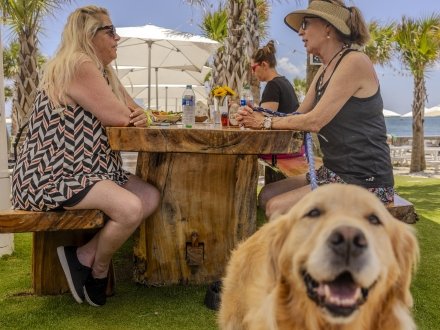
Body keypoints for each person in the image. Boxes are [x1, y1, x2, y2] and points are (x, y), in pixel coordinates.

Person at [11, 6, 160, 306]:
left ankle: (83, 255)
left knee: (149, 197)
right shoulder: (78, 64)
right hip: (55, 173)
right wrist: (131, 114)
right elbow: (121, 116)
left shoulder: (102, 71)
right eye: (111, 31)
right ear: (88, 35)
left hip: (93, 170)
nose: (117, 38)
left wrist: (136, 114)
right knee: (131, 208)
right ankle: (99, 269)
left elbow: (138, 112)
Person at [237, 0, 394, 220]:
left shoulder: (355, 62)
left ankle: (308, 254)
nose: (301, 32)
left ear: (328, 27)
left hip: (365, 181)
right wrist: (261, 113)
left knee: (277, 207)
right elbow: (298, 116)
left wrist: (264, 122)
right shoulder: (325, 70)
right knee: (266, 195)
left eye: (306, 24)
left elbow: (314, 121)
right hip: (333, 173)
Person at [251, 40, 299, 114]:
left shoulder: (272, 86)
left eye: (253, 68)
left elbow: (263, 120)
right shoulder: (285, 81)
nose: (252, 72)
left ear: (264, 65)